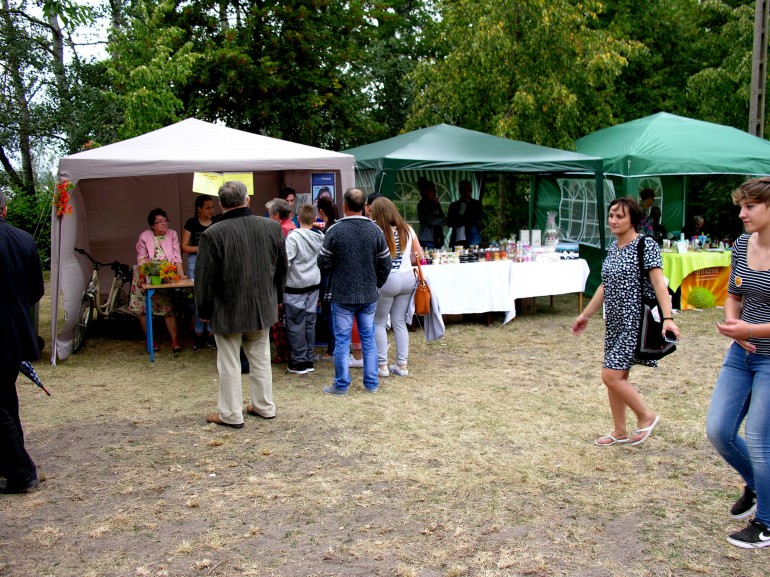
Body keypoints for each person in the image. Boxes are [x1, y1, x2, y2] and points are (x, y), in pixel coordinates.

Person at [572, 197, 679, 446]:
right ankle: (619, 431)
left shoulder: (645, 244)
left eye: (620, 216)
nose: (613, 220)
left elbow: (658, 283)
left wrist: (668, 318)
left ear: (633, 220)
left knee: (610, 375)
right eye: (611, 215)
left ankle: (646, 416)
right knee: (618, 376)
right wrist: (585, 315)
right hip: (614, 322)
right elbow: (605, 285)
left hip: (635, 321)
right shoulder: (614, 247)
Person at [706, 176, 770, 548]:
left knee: (760, 438)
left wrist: (751, 329)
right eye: (741, 207)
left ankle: (766, 524)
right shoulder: (743, 244)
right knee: (719, 430)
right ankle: (759, 486)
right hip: (741, 353)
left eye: (750, 206)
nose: (742, 214)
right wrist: (734, 325)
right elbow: (733, 293)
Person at [195, 181, 287, 428]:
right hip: (261, 306)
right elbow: (282, 269)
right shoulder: (271, 227)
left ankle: (231, 414)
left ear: (220, 204)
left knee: (229, 363)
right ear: (247, 200)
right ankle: (264, 406)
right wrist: (276, 298)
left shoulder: (212, 234)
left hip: (227, 310)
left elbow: (204, 279)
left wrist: (204, 309)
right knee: (260, 359)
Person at [318, 188, 391, 395]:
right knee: (368, 339)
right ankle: (371, 383)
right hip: (368, 293)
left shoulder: (335, 230)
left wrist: (335, 273)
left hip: (342, 294)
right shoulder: (375, 231)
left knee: (342, 341)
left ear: (345, 206)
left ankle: (341, 385)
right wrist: (376, 283)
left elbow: (322, 261)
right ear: (365, 207)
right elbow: (385, 263)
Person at [0, 190, 44, 494]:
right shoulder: (24, 239)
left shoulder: (21, 239)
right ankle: (10, 463)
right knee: (6, 399)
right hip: (15, 331)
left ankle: (21, 471)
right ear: (4, 210)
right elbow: (36, 290)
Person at [370, 197, 423, 378]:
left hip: (387, 279)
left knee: (379, 322)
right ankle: (402, 364)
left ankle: (382, 365)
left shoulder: (377, 231)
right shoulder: (408, 229)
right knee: (400, 322)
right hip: (407, 278)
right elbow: (418, 256)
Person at [128, 208, 188, 352]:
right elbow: (141, 258)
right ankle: (151, 341)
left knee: (168, 309)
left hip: (165, 275)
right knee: (145, 310)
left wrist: (181, 274)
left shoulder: (172, 234)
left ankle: (174, 341)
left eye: (165, 220)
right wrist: (143, 277)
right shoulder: (144, 236)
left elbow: (177, 256)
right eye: (159, 221)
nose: (164, 223)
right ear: (152, 225)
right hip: (146, 275)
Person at [284, 204, 324, 375]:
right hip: (313, 285)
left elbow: (286, 261)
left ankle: (298, 361)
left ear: (298, 218)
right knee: (309, 322)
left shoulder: (293, 237)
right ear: (314, 219)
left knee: (295, 323)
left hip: (295, 286)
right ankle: (308, 357)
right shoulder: (320, 237)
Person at [181, 194, 216, 350]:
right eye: (207, 208)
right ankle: (199, 334)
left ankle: (212, 333)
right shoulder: (192, 223)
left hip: (213, 261)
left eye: (212, 207)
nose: (211, 211)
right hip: (195, 260)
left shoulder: (217, 222)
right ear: (199, 209)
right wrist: (201, 248)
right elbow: (184, 246)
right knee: (198, 297)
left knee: (213, 297)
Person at [447, 180, 483, 248]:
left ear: (471, 190)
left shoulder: (476, 204)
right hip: (457, 240)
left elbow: (476, 219)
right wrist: (465, 218)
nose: (466, 191)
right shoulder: (454, 205)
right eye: (464, 189)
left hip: (472, 239)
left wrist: (459, 219)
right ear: (460, 191)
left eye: (468, 189)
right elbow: (449, 222)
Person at [417, 179, 446, 249]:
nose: (435, 192)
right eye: (432, 190)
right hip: (426, 239)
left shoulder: (436, 204)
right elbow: (431, 221)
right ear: (426, 192)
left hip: (437, 238)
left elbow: (445, 220)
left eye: (435, 191)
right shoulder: (422, 205)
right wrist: (439, 220)